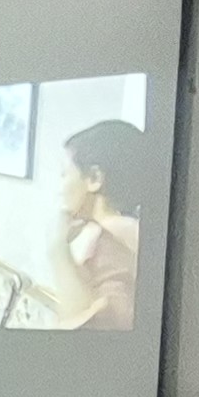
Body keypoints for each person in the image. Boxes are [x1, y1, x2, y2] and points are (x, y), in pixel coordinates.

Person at [46, 118, 146, 332]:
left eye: (65, 174)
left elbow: (84, 329)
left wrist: (57, 250)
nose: (60, 188)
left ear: (94, 178)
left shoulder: (112, 240)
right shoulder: (131, 231)